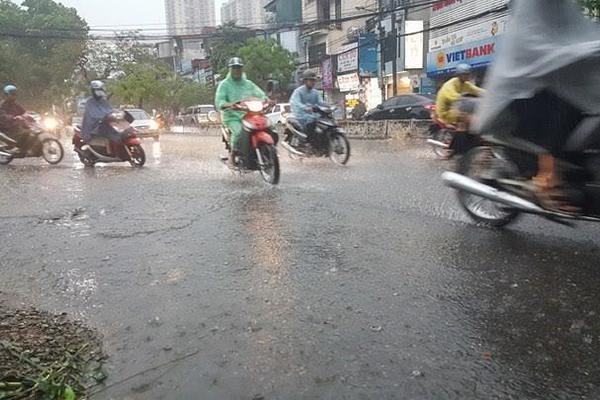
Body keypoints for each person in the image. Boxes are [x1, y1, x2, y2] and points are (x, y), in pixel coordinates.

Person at [215, 57, 268, 166]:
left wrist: (267, 100)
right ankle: (233, 154)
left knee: (269, 127)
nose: (236, 70)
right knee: (239, 132)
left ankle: (268, 151)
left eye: (238, 68)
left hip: (250, 115)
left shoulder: (249, 84)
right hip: (232, 117)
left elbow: (260, 94)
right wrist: (226, 104)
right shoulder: (224, 85)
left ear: (242, 69)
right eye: (234, 68)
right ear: (230, 69)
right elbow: (219, 100)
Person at [289, 71, 327, 145]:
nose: (313, 82)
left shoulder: (316, 92)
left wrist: (329, 106)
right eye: (311, 80)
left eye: (314, 80)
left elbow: (321, 102)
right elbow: (296, 103)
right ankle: (308, 142)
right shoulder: (298, 91)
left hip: (313, 114)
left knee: (323, 121)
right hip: (301, 115)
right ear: (305, 81)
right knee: (311, 121)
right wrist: (305, 108)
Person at [0, 84, 28, 152]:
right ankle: (18, 147)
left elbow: (23, 111)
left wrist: (29, 115)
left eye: (15, 94)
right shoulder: (2, 105)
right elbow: (3, 116)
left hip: (14, 125)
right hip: (5, 127)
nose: (14, 96)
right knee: (25, 132)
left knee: (29, 130)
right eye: (12, 94)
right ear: (6, 95)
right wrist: (14, 117)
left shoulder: (14, 104)